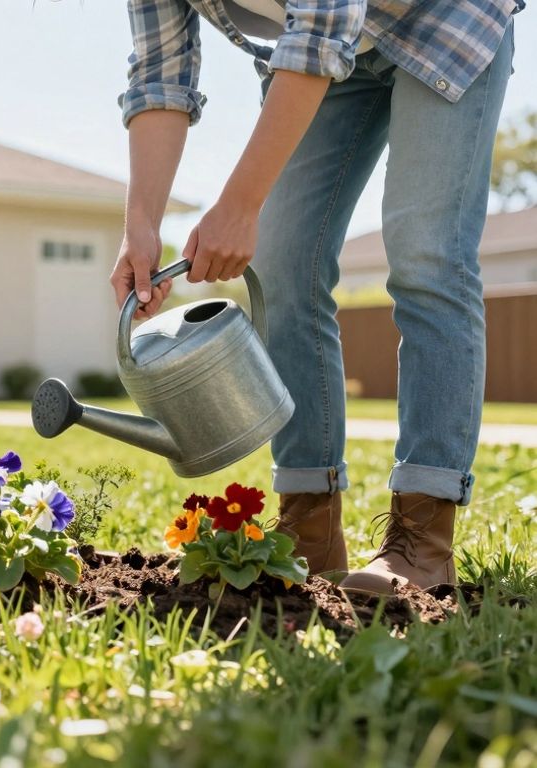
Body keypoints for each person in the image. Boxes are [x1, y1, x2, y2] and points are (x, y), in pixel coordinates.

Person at [111, 0, 521, 593]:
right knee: (280, 265)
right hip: (333, 54)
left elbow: (326, 22)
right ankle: (310, 526)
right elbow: (159, 73)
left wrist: (239, 205)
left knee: (426, 255)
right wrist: (141, 226)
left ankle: (423, 538)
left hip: (442, 19)